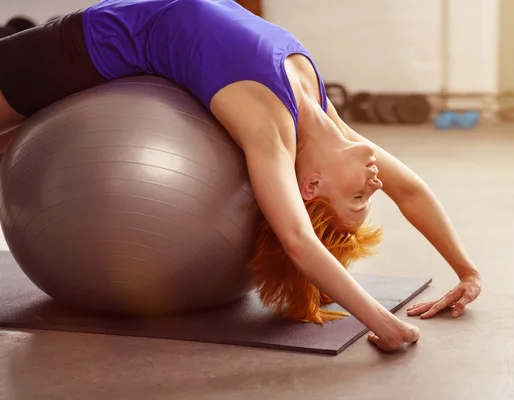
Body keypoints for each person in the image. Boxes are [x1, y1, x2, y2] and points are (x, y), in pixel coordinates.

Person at [0, 0, 482, 352]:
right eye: (366, 197)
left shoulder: (270, 132)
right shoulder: (325, 116)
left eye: (357, 198)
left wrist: (382, 323)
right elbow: (410, 189)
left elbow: (297, 238)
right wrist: (467, 271)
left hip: (82, 48)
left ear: (310, 186)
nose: (375, 185)